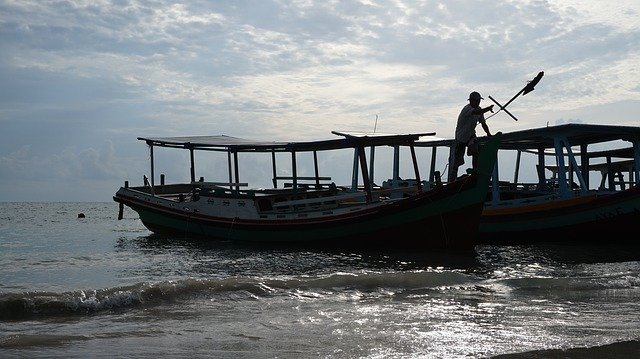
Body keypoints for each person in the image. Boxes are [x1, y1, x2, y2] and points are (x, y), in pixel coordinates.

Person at [448, 91, 493, 181]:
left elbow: (483, 123)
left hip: (471, 135)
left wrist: (489, 134)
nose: (478, 102)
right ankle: (452, 178)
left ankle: (475, 171)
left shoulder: (479, 109)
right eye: (476, 100)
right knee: (458, 159)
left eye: (479, 101)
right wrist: (488, 109)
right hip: (461, 137)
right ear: (471, 101)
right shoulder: (467, 109)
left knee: (475, 150)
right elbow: (476, 112)